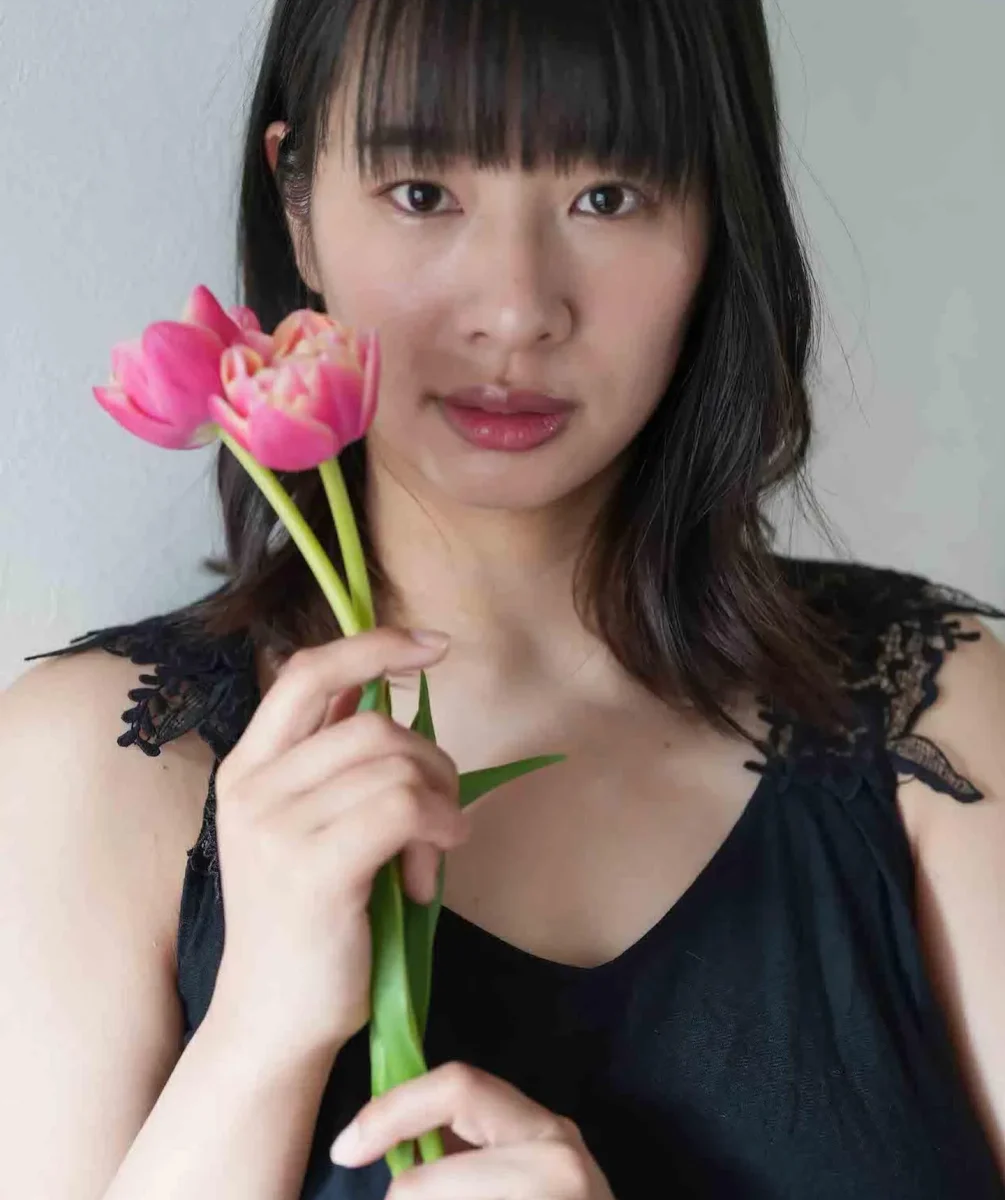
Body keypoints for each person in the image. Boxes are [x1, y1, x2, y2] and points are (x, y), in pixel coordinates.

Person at [2, 0, 1004, 1196]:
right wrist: (258, 1034)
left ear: (715, 213)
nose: (519, 309)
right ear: (298, 202)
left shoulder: (942, 718)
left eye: (608, 197)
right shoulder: (95, 770)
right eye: (424, 192)